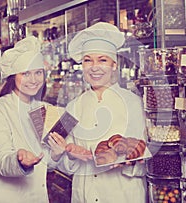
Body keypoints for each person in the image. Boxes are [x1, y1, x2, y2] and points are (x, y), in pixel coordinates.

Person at [52, 22, 148, 203]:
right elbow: (65, 164)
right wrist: (66, 154)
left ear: (114, 65)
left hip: (123, 196)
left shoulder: (134, 104)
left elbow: (145, 160)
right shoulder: (73, 106)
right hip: (83, 196)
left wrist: (124, 161)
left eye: (102, 60)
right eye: (88, 60)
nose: (94, 67)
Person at [0, 36, 63, 203]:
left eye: (38, 72)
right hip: (3, 197)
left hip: (36, 196)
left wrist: (56, 154)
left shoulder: (45, 110)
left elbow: (46, 163)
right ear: (14, 76)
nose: (33, 80)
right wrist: (19, 161)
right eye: (26, 74)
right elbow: (0, 160)